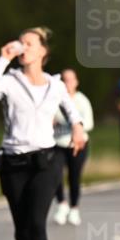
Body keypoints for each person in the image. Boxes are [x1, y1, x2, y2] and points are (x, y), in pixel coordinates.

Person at [0, 27, 85, 240]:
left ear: (42, 52)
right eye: (21, 43)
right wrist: (2, 59)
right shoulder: (9, 80)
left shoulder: (56, 84)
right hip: (13, 161)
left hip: (45, 161)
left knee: (37, 221)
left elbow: (71, 110)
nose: (23, 47)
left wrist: (78, 128)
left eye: (29, 44)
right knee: (21, 224)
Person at [52, 68, 94, 226]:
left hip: (78, 144)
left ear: (76, 82)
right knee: (55, 174)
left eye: (70, 79)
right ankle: (62, 204)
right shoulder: (55, 99)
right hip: (57, 143)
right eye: (64, 79)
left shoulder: (82, 100)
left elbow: (88, 123)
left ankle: (74, 208)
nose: (68, 83)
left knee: (74, 177)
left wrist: (72, 124)